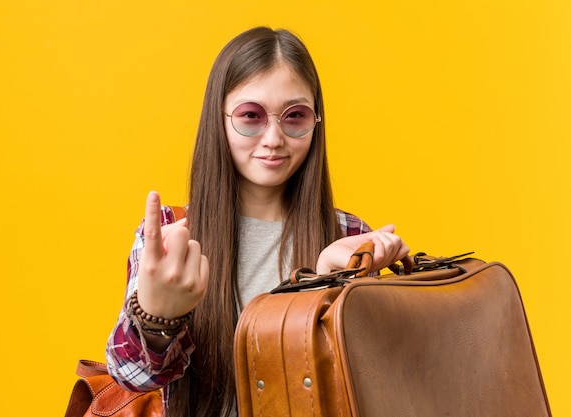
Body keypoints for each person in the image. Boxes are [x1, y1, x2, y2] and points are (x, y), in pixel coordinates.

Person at [106, 26, 409, 417]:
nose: (273, 138)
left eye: (294, 117)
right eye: (251, 116)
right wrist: (157, 318)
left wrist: (327, 283)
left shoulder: (349, 237)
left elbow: (372, 383)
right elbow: (131, 375)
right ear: (220, 119)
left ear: (316, 121)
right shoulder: (173, 236)